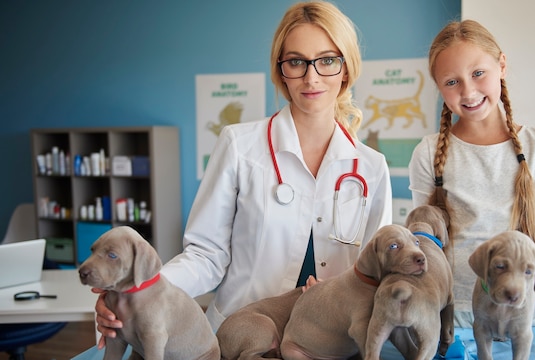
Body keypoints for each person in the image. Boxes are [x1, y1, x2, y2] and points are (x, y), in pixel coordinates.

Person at [95, 1, 392, 341]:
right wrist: (140, 293)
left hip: (332, 341)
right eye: (296, 61)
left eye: (327, 60)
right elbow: (207, 256)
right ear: (281, 70)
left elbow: (378, 271)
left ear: (346, 68)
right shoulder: (240, 145)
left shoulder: (370, 168)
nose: (311, 77)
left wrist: (343, 290)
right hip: (239, 336)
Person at [408, 19, 535, 327]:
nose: (468, 92)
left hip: (522, 313)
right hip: (450, 317)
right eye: (451, 82)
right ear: (439, 87)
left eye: (478, 73)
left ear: (502, 65)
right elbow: (424, 238)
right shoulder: (428, 153)